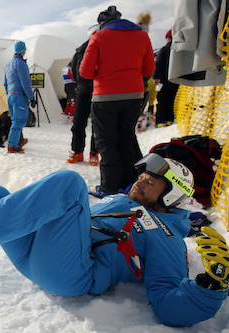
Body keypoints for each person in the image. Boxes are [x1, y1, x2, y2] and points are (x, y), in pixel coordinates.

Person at [0, 153, 229, 327]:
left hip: (73, 274)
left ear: (171, 197)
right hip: (41, 254)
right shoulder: (122, 200)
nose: (140, 181)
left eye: (151, 182)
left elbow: (165, 300)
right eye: (142, 175)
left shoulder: (167, 236)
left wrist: (207, 290)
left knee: (70, 184)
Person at [79, 6, 155, 197]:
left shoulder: (99, 37)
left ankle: (110, 187)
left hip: (105, 97)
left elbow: (85, 72)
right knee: (127, 139)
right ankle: (131, 184)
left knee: (107, 142)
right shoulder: (142, 36)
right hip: (133, 96)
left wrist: (102, 75)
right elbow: (149, 69)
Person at [67, 24, 100, 166]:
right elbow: (73, 69)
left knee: (87, 123)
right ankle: (80, 152)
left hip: (89, 90)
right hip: (90, 90)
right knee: (87, 123)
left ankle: (89, 152)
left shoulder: (82, 50)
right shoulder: (81, 50)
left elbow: (74, 71)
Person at [3, 41, 36, 153]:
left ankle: (18, 140)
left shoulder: (8, 64)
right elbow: (25, 82)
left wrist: (10, 95)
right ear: (23, 51)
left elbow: (5, 83)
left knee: (15, 120)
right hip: (19, 96)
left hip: (11, 96)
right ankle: (12, 146)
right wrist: (31, 97)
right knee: (19, 121)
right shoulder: (21, 64)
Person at [153, 30, 180, 127]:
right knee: (171, 100)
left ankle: (160, 121)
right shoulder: (178, 50)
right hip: (176, 79)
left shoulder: (164, 49)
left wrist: (155, 77)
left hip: (164, 80)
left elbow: (158, 64)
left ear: (168, 38)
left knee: (162, 100)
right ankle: (169, 119)